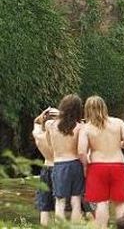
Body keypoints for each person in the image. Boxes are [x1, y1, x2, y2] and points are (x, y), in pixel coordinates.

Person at [78, 95, 124, 229]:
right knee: (120, 203)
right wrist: (118, 144)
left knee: (101, 202)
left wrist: (85, 166)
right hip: (118, 165)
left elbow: (81, 151)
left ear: (87, 110)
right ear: (104, 107)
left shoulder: (86, 128)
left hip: (97, 167)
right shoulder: (118, 122)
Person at [45, 94, 85, 223]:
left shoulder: (50, 125)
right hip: (75, 164)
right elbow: (81, 149)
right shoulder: (80, 127)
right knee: (76, 200)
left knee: (60, 202)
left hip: (59, 165)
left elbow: (49, 144)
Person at [32, 107, 60, 226]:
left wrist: (42, 114)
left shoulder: (38, 135)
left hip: (46, 168)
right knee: (60, 203)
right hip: (60, 168)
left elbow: (36, 122)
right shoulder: (61, 137)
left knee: (44, 206)